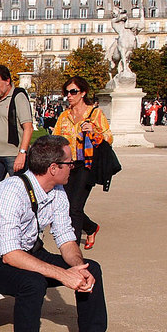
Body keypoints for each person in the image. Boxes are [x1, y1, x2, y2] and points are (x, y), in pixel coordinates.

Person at [0, 135, 115, 332]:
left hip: (27, 250)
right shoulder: (9, 193)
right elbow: (10, 255)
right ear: (53, 168)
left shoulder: (57, 192)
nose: (74, 166)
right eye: (70, 162)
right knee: (33, 282)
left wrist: (77, 269)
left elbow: (66, 238)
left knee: (91, 269)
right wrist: (63, 275)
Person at [53, 76, 112, 249]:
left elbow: (109, 137)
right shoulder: (64, 116)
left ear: (83, 92)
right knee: (65, 205)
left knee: (75, 207)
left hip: (86, 165)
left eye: (73, 92)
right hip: (67, 166)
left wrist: (94, 131)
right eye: (67, 92)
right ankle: (91, 227)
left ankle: (73, 248)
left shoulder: (95, 113)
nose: (69, 96)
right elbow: (55, 138)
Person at [0, 64, 33, 197]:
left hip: (14, 156)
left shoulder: (18, 97)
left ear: (7, 81)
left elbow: (28, 127)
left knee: (21, 196)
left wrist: (22, 153)